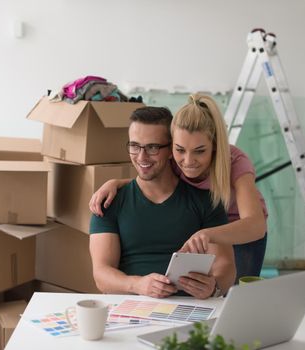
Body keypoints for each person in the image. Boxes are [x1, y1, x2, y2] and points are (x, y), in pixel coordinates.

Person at [89, 93, 268, 283]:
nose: (188, 161)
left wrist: (207, 234)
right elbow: (149, 177)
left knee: (236, 294)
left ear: (214, 146)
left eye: (199, 151)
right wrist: (115, 183)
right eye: (180, 150)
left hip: (241, 226)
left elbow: (256, 225)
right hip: (208, 223)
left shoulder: (235, 163)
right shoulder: (173, 158)